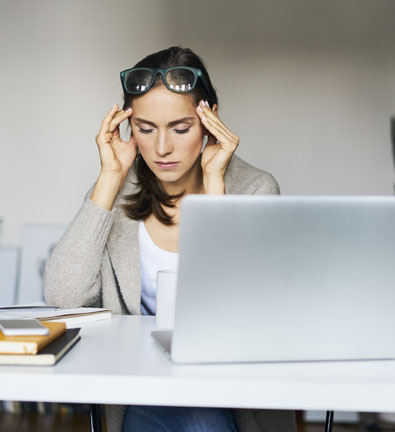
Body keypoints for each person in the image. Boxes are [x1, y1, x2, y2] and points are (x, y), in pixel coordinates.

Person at [44, 46, 296, 432]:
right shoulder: (116, 190)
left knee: (200, 419)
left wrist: (215, 186)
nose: (162, 148)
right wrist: (110, 176)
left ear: (209, 120)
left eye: (180, 129)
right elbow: (63, 295)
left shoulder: (256, 189)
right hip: (140, 389)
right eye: (146, 129)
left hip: (226, 389)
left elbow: (243, 310)